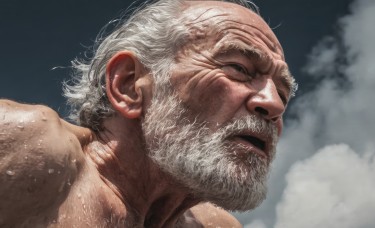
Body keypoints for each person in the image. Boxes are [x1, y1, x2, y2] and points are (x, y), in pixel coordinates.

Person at [0, 0, 297, 227]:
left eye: (283, 93)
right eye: (240, 69)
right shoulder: (30, 148)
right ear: (129, 85)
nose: (274, 104)